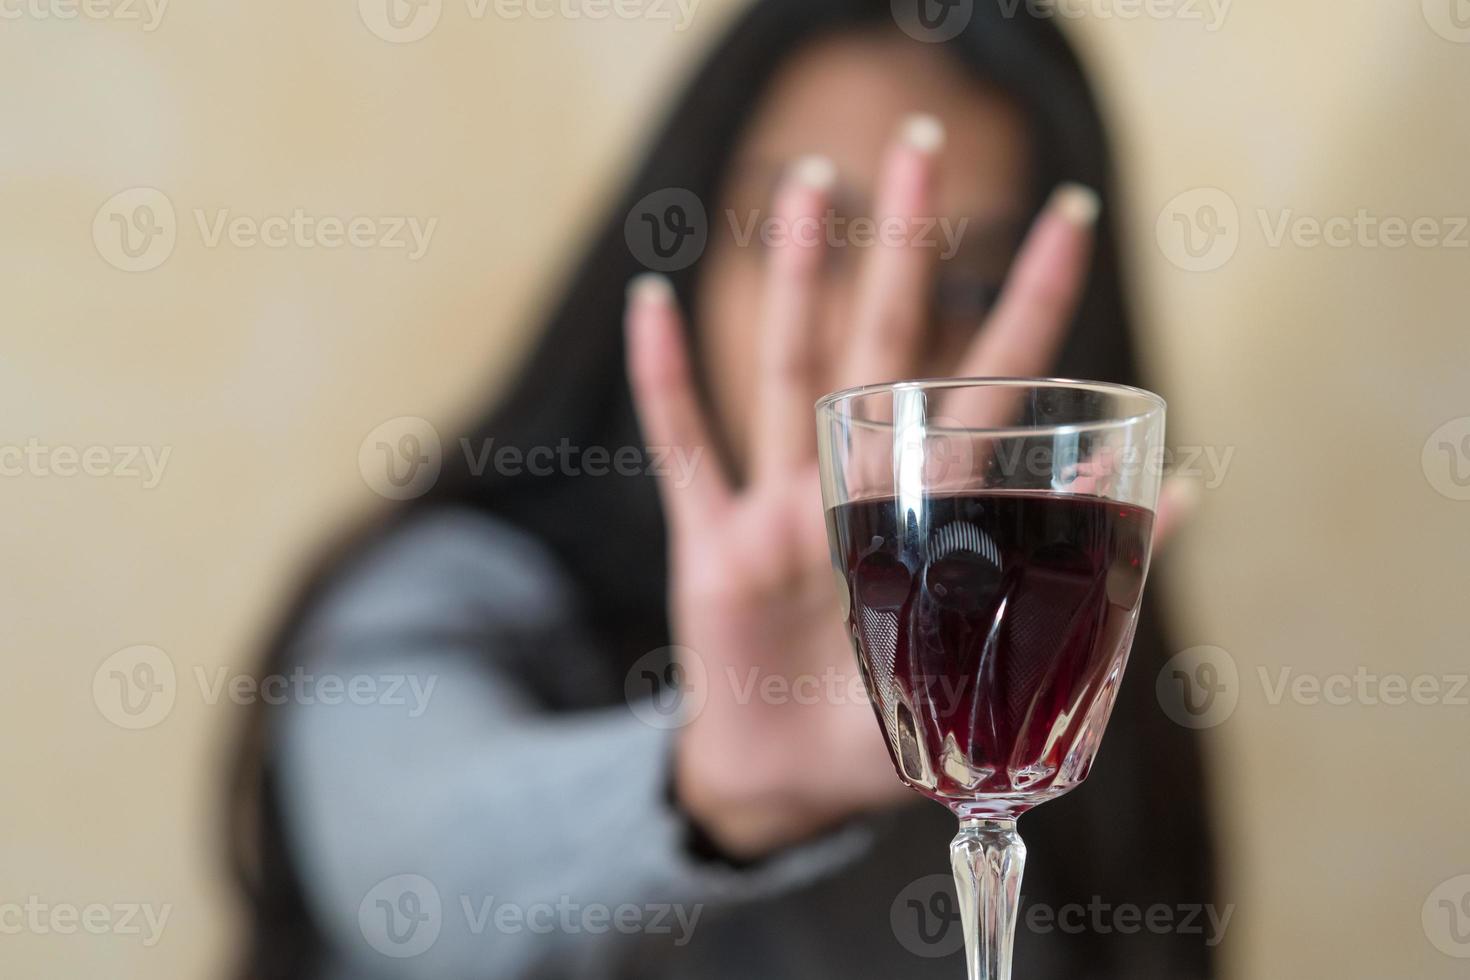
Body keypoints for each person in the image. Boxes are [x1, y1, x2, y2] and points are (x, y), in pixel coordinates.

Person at [230, 1, 1216, 976]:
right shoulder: (455, 588)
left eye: (973, 289)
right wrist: (714, 788)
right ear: (689, 247)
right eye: (813, 241)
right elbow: (408, 879)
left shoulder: (1052, 691)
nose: (889, 339)